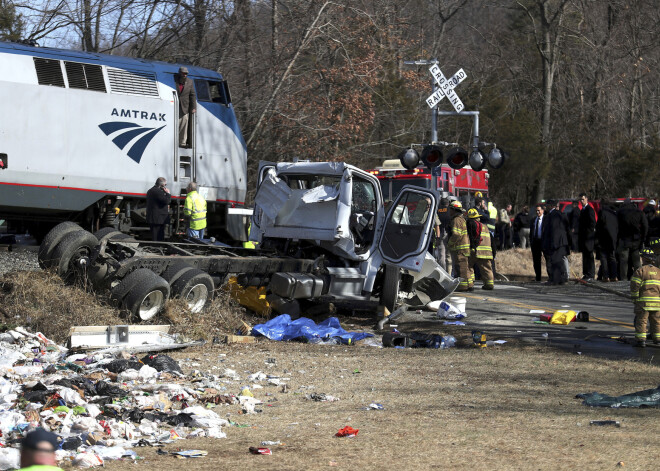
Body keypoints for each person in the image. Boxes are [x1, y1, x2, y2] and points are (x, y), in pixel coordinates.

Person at [630, 248, 660, 347]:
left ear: (643, 258)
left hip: (644, 302)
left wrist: (634, 298)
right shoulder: (658, 271)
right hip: (657, 303)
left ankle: (641, 341)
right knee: (656, 322)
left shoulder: (641, 270)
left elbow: (635, 285)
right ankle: (658, 339)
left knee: (642, 321)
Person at [617, 198, 648, 280]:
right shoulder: (639, 212)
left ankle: (623, 279)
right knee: (637, 261)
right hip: (636, 240)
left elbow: (616, 225)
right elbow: (645, 226)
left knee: (624, 261)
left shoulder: (620, 212)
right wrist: (643, 238)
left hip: (624, 239)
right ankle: (640, 278)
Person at [542, 199, 570, 285]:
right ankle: (560, 279)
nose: (545, 207)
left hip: (556, 242)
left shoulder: (553, 215)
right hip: (561, 241)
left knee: (555, 261)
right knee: (559, 261)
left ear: (551, 206)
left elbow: (554, 230)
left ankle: (556, 280)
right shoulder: (560, 214)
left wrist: (553, 243)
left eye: (547, 205)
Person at [467, 208, 494, 289]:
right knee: (487, 269)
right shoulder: (485, 227)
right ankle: (489, 284)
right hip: (487, 252)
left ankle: (470, 284)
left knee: (469, 266)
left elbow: (471, 237)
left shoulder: (471, 225)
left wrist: (471, 247)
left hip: (476, 250)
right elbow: (492, 240)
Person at [448, 201, 471, 292]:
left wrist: (450, 243)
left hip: (460, 248)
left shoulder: (456, 220)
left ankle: (462, 287)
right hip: (464, 248)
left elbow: (456, 234)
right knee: (465, 268)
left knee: (460, 268)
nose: (449, 211)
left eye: (450, 209)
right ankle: (469, 285)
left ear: (454, 210)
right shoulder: (462, 219)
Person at [596, 198, 618, 282]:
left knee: (604, 257)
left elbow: (599, 226)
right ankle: (614, 275)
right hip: (613, 238)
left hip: (604, 238)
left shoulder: (602, 212)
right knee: (612, 257)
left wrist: (597, 237)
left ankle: (606, 276)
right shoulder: (613, 213)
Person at [174, 66, 196, 147]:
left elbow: (192, 95)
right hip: (174, 105)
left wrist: (193, 107)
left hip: (185, 107)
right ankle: (174, 140)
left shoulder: (190, 82)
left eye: (186, 73)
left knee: (184, 123)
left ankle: (182, 142)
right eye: (183, 73)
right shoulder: (174, 79)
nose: (185, 75)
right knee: (175, 123)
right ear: (180, 73)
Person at [577, 192, 597, 281]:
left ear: (586, 199)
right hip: (583, 237)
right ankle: (586, 273)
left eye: (583, 199)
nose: (582, 201)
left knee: (589, 256)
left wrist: (588, 232)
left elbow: (593, 223)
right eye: (580, 199)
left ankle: (591, 274)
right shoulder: (583, 210)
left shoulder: (589, 209)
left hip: (588, 237)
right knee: (585, 256)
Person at [146, 177, 171, 241]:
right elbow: (167, 201)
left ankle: (156, 246)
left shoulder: (150, 190)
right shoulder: (158, 192)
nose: (165, 186)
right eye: (165, 185)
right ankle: (158, 247)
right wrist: (168, 193)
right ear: (162, 185)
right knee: (158, 236)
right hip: (158, 218)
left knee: (155, 234)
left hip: (154, 217)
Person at [530, 204, 546, 282]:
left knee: (547, 259)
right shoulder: (534, 219)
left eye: (539, 210)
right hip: (535, 242)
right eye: (536, 210)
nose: (537, 212)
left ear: (542, 211)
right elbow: (531, 231)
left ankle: (551, 276)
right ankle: (538, 277)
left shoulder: (545, 219)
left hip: (543, 241)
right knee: (536, 260)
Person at [435, 197, 451, 271]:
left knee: (441, 255)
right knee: (449, 255)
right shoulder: (450, 210)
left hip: (440, 233)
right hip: (449, 234)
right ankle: (449, 274)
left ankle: (443, 272)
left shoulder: (437, 210)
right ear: (448, 203)